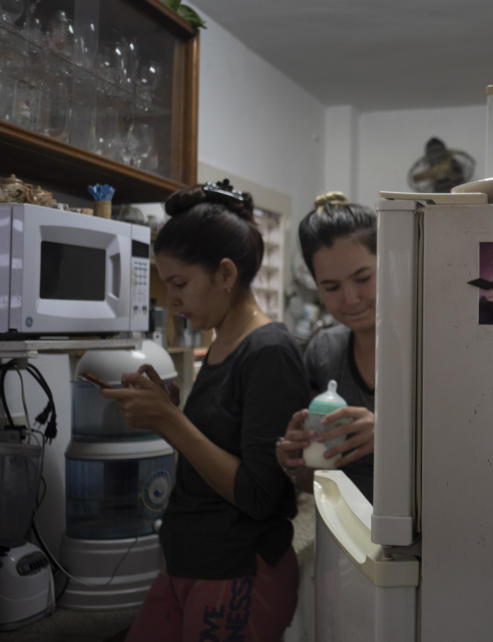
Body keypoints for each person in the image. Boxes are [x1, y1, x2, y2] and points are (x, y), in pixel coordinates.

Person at [101, 180, 308, 641]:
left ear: (226, 275)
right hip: (190, 563)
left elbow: (258, 493)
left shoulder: (269, 351)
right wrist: (169, 408)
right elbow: (221, 445)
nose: (172, 300)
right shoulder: (222, 345)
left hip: (238, 568)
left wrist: (169, 422)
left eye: (180, 283)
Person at [275, 192, 376, 500]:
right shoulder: (324, 351)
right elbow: (314, 480)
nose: (350, 298)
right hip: (343, 534)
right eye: (331, 287)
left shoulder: (431, 347)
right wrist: (294, 460)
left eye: (363, 278)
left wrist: (394, 436)